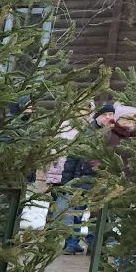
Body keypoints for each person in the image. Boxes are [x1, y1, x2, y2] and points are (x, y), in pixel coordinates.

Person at [56, 103, 113, 254]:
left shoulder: (113, 135)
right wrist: (66, 181)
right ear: (98, 116)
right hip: (81, 178)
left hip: (101, 180)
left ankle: (94, 244)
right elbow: (72, 157)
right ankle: (71, 243)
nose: (108, 117)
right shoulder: (86, 133)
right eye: (105, 114)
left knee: (98, 214)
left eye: (111, 115)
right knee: (75, 212)